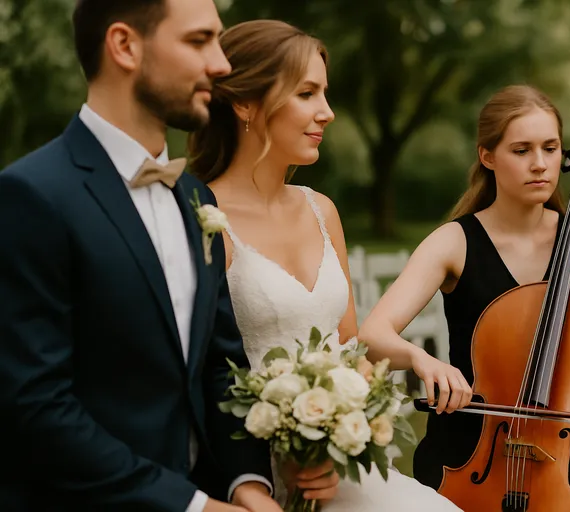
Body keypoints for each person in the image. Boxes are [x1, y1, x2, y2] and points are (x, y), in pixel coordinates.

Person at [0, 1, 285, 510]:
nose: (221, 65)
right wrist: (192, 508)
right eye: (198, 41)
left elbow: (221, 365)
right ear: (124, 46)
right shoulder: (30, 196)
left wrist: (248, 483)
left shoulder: (197, 199)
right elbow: (35, 407)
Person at [357, 85, 570, 512]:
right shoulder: (454, 242)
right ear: (488, 156)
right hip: (476, 443)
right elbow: (373, 334)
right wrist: (425, 360)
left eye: (550, 148)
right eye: (521, 150)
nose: (539, 164)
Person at [187, 19, 463, 512]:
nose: (328, 113)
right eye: (307, 93)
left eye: (325, 94)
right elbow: (202, 376)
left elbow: (349, 349)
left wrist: (350, 430)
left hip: (340, 466)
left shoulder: (321, 209)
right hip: (250, 475)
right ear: (246, 104)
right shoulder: (204, 220)